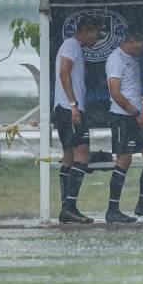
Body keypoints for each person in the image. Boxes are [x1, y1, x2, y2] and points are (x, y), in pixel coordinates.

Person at [104, 24, 143, 223]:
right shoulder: (115, 59)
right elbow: (115, 93)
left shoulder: (133, 60)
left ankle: (142, 205)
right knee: (124, 160)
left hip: (139, 117)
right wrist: (136, 113)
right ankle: (112, 210)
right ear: (131, 41)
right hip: (123, 117)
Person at [53, 16, 103, 224]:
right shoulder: (72, 45)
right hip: (69, 109)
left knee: (68, 157)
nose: (98, 39)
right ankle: (70, 207)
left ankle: (66, 207)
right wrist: (73, 105)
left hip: (64, 109)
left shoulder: (74, 46)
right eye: (97, 34)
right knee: (82, 157)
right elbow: (64, 72)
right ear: (88, 31)